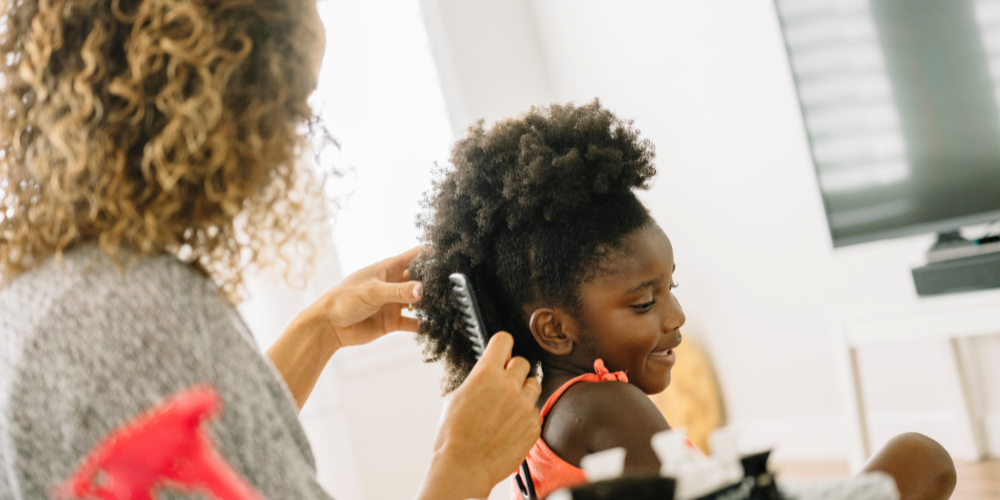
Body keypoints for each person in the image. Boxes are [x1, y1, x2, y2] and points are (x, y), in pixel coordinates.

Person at [0, 0, 541, 498]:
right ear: (215, 103)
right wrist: (462, 466)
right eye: (291, 104)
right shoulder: (131, 316)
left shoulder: (56, 290)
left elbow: (221, 453)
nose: (298, 139)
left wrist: (319, 331)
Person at [409, 100, 958, 500]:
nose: (676, 317)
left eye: (672, 288)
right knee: (920, 456)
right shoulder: (602, 407)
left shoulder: (543, 410)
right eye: (644, 303)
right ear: (555, 330)